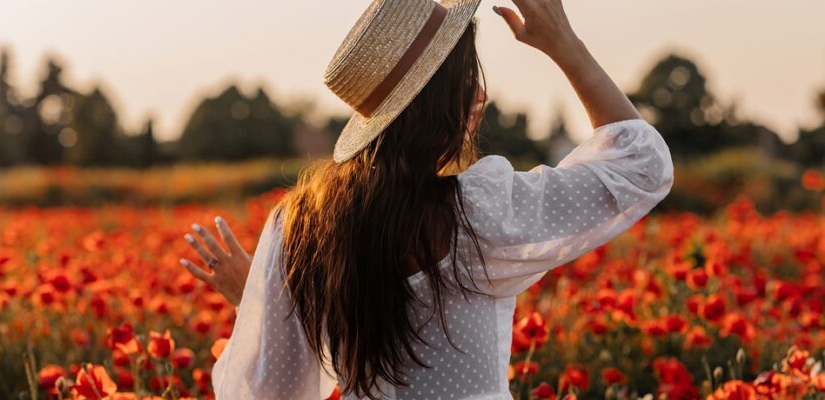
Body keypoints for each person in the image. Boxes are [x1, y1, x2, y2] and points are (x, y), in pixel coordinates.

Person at [179, 0, 674, 398]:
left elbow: (273, 392)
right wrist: (565, 44)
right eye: (466, 77)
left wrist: (265, 308)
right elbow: (642, 164)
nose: (480, 92)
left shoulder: (302, 225)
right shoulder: (477, 214)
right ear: (440, 99)